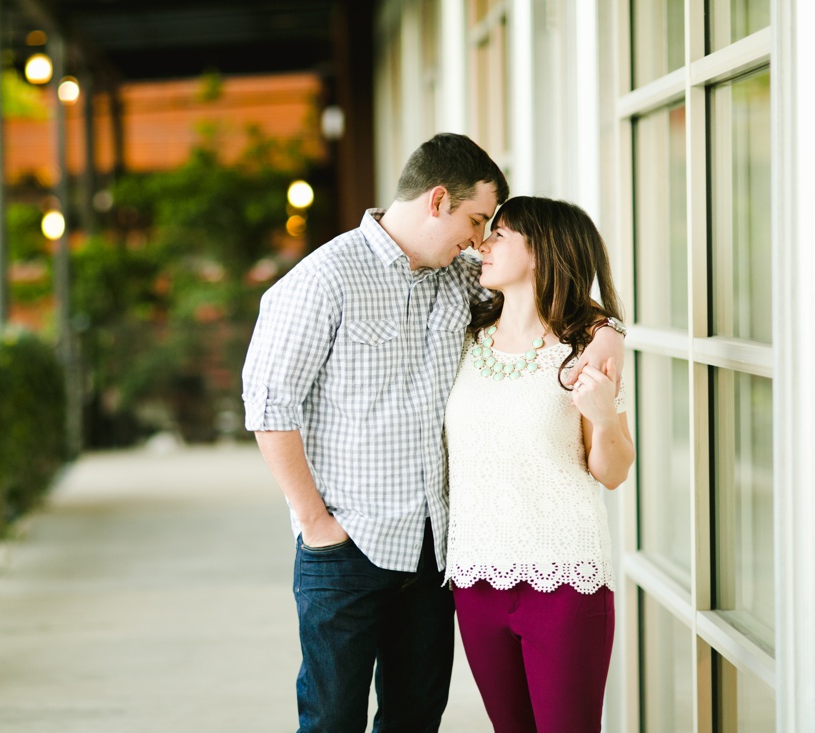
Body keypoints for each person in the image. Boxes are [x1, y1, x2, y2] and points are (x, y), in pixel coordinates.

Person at [241, 133, 625, 733]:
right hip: (348, 545)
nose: (478, 241)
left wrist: (607, 336)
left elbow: (554, 294)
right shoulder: (323, 280)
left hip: (435, 554)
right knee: (332, 718)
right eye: (475, 221)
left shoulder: (464, 279)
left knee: (416, 717)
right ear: (438, 201)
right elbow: (268, 408)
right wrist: (316, 524)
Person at [443, 196, 636, 733]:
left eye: (500, 234)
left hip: (565, 582)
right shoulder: (464, 338)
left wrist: (603, 417)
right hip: (476, 577)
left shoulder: (589, 347)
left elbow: (614, 471)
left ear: (543, 249)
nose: (483, 244)